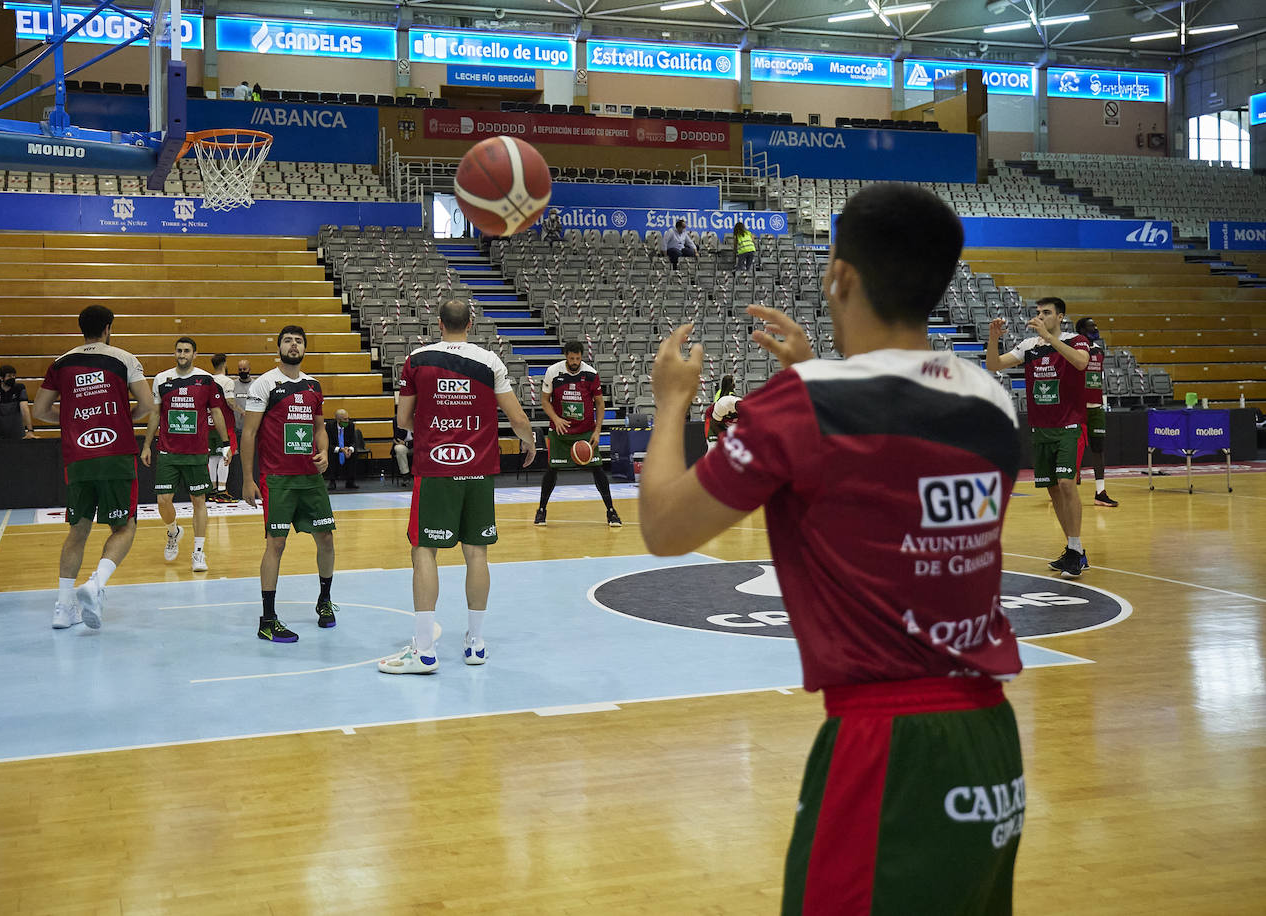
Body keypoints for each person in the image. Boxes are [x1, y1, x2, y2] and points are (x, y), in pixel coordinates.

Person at [639, 183, 1025, 916]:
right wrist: (813, 371)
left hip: (886, 745)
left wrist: (670, 403)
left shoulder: (804, 404)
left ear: (839, 275)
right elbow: (884, 465)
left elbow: (664, 527)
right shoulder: (989, 398)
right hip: (990, 740)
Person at [379, 299, 537, 674]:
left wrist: (431, 434)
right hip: (479, 468)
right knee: (477, 555)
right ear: (470, 323)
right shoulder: (490, 361)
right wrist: (530, 443)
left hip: (434, 468)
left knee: (424, 551)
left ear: (439, 323)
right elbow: (516, 417)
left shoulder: (417, 359)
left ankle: (425, 651)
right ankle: (476, 644)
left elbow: (403, 418)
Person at [34, 305, 154, 630]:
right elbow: (147, 404)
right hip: (117, 453)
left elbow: (40, 410)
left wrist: (72, 421)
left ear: (81, 328)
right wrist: (121, 421)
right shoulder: (123, 358)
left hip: (79, 456)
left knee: (78, 530)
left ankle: (62, 607)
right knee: (125, 527)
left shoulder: (60, 364)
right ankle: (96, 583)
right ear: (109, 327)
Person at [240, 326, 337, 643]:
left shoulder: (313, 386)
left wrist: (323, 451)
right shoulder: (266, 383)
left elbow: (319, 427)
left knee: (325, 537)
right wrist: (248, 479)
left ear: (305, 348)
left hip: (310, 479)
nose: (293, 345)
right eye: (287, 341)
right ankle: (267, 619)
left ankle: (325, 601)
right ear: (279, 347)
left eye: (298, 341)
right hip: (278, 479)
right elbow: (249, 433)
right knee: (276, 544)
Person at [987, 297, 1091, 577]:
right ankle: (1073, 549)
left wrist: (1047, 337)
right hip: (1041, 427)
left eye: (1047, 313)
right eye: (1038, 313)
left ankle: (1076, 548)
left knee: (1067, 483)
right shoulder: (1029, 347)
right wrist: (993, 338)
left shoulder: (1076, 340)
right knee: (1054, 489)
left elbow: (1081, 364)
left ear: (1060, 317)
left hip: (1070, 424)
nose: (1041, 317)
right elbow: (994, 365)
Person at [141, 337, 229, 574]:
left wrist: (226, 443)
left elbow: (217, 412)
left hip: (196, 452)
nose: (182, 354)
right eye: (179, 350)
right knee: (163, 501)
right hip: (168, 451)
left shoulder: (205, 380)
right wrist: (147, 444)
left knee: (199, 501)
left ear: (195, 354)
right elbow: (155, 414)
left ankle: (198, 553)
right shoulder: (161, 379)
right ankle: (173, 532)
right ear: (175, 353)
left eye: (187, 351)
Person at [533, 341, 620, 528]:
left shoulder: (590, 374)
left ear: (582, 357)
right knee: (552, 469)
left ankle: (611, 511)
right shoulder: (553, 372)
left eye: (578, 358)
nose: (575, 362)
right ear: (566, 356)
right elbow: (545, 401)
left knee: (598, 469)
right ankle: (541, 510)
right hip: (560, 431)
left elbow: (600, 404)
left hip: (585, 431)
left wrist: (597, 431)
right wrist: (556, 419)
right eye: (571, 358)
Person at [1074, 317, 1118, 508]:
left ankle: (1100, 492)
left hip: (1096, 406)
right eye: (1092, 326)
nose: (1096, 328)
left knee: (1098, 449)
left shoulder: (1099, 351)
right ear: (1081, 330)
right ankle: (1064, 488)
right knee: (1071, 450)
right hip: (1077, 407)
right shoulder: (1074, 350)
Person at [207, 353, 241, 503]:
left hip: (209, 425)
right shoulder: (227, 381)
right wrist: (243, 411)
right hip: (224, 425)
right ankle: (222, 491)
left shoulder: (208, 380)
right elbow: (230, 402)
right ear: (225, 364)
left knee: (213, 457)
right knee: (225, 456)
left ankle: (213, 490)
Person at [324, 409, 362, 490]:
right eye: (345, 419)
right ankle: (332, 481)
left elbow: (354, 441)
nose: (347, 421)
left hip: (346, 448)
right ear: (338, 420)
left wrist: (349, 449)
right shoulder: (329, 426)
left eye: (348, 418)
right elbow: (328, 443)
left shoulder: (351, 425)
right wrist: (341, 450)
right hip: (335, 449)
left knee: (354, 453)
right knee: (330, 453)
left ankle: (350, 481)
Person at [391, 417, 411, 484]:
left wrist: (407, 443)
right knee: (399, 448)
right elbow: (397, 438)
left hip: (417, 445)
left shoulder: (421, 417)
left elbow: (422, 437)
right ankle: (405, 475)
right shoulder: (397, 419)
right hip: (403, 445)